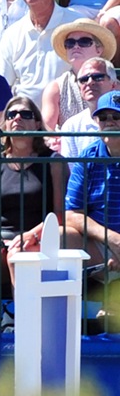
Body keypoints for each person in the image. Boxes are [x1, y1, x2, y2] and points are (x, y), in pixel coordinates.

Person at [0, 95, 63, 333]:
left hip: (38, 239)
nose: (17, 118)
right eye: (11, 114)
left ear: (37, 123)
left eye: (26, 114)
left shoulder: (53, 161)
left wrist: (31, 235)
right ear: (5, 124)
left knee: (19, 255)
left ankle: (25, 328)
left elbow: (60, 215)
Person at [0, 0, 78, 102]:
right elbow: (1, 85)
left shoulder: (76, 25)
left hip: (66, 119)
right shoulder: (12, 34)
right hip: (24, 119)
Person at [63, 90, 120, 277]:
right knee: (61, 235)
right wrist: (112, 240)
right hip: (100, 243)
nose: (109, 122)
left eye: (116, 116)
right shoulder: (88, 156)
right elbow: (71, 214)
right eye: (103, 117)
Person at [41, 18, 117, 135]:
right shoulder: (55, 88)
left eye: (84, 42)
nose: (76, 46)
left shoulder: (115, 86)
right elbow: (46, 132)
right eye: (70, 43)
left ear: (99, 49)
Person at [56, 57, 117, 159]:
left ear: (114, 84)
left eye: (98, 77)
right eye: (83, 80)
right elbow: (71, 170)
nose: (90, 82)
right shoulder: (71, 127)